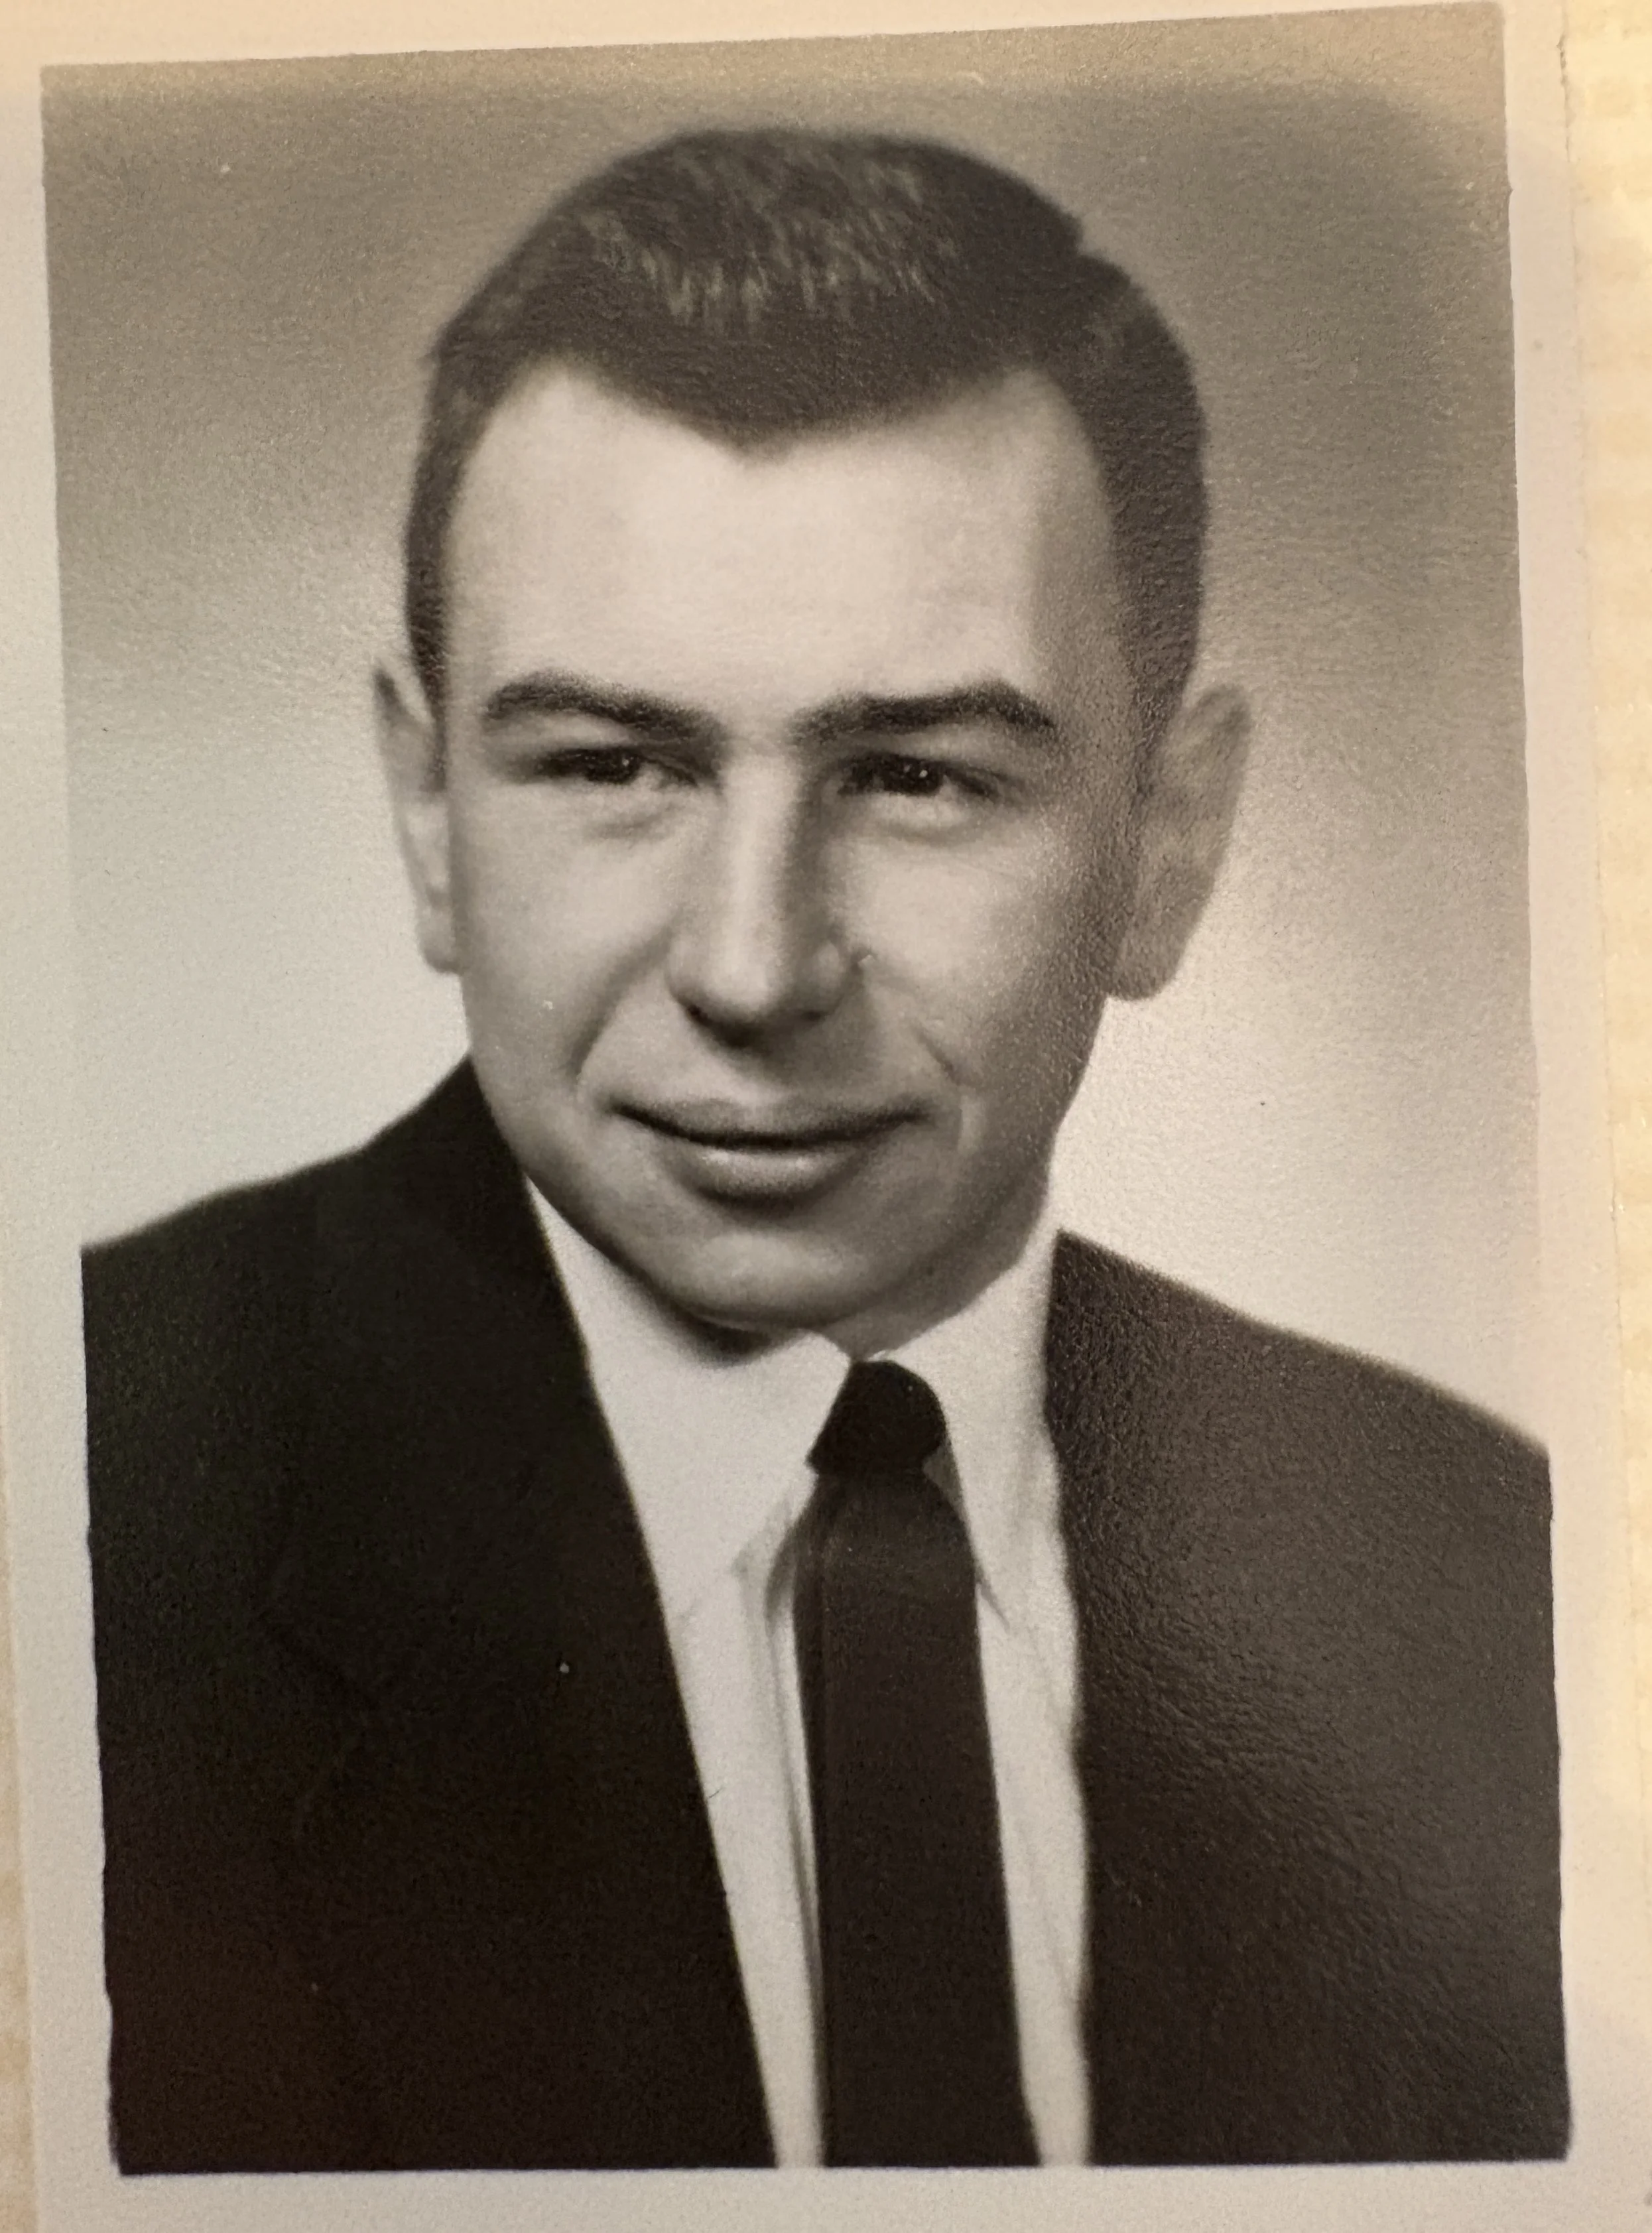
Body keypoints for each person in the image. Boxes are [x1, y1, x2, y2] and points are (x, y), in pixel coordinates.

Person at [83, 127, 1567, 2175]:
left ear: (1169, 841)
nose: (751, 966)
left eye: (915, 774)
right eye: (613, 763)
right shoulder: (60, 1509)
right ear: (429, 815)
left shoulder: (1475, 1563)